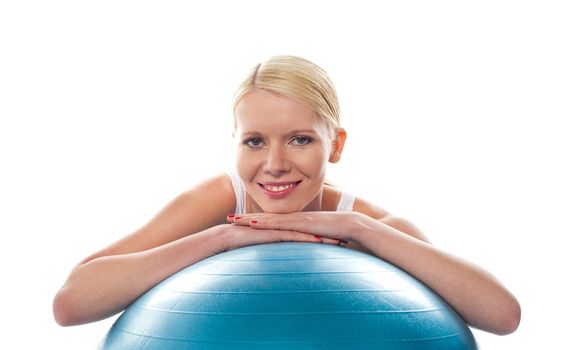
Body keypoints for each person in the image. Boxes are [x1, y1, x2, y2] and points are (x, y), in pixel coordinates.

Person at [53, 55, 520, 335]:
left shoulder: (372, 224)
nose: (274, 163)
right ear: (234, 142)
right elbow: (71, 304)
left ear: (334, 145)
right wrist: (222, 240)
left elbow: (502, 316)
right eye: (254, 141)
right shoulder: (219, 199)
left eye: (300, 139)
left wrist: (359, 229)